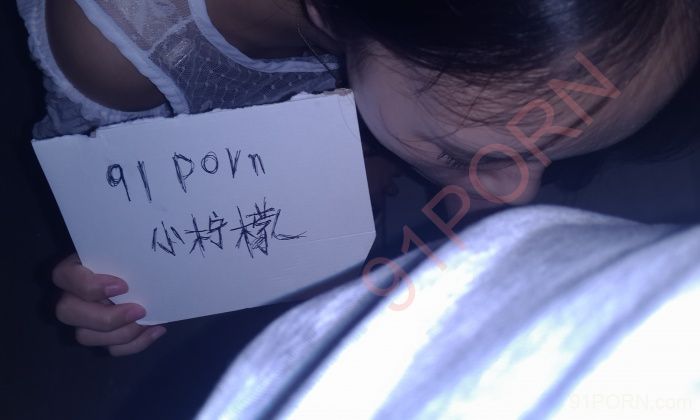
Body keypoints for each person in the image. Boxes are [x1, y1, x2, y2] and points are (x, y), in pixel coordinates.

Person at [19, 0, 700, 355]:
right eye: (465, 150)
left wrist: (374, 160)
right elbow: (123, 185)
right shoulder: (118, 54)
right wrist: (125, 270)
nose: (518, 195)